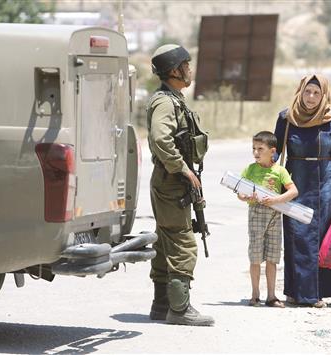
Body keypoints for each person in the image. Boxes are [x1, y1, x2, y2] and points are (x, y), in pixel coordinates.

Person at [146, 44, 214, 326]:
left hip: (172, 181)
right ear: (174, 70)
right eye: (186, 65)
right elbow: (161, 139)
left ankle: (162, 305)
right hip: (172, 180)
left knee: (166, 241)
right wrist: (183, 170)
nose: (190, 69)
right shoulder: (165, 102)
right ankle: (179, 309)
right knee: (182, 243)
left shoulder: (175, 99)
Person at [274, 75, 331, 308]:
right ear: (300, 92)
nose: (311, 98)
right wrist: (262, 172)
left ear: (324, 95)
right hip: (296, 183)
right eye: (307, 92)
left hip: (326, 183)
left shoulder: (330, 118)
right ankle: (297, 293)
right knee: (298, 238)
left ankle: (317, 293)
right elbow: (275, 152)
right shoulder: (287, 118)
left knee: (321, 237)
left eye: (317, 93)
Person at [237, 131, 298, 308]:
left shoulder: (280, 171)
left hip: (274, 216)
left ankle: (271, 296)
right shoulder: (250, 169)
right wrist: (247, 197)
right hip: (256, 215)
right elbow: (240, 193)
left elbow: (293, 191)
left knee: (272, 257)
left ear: (272, 151)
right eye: (254, 149)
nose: (256, 152)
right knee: (255, 256)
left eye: (260, 149)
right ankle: (255, 294)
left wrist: (276, 200)